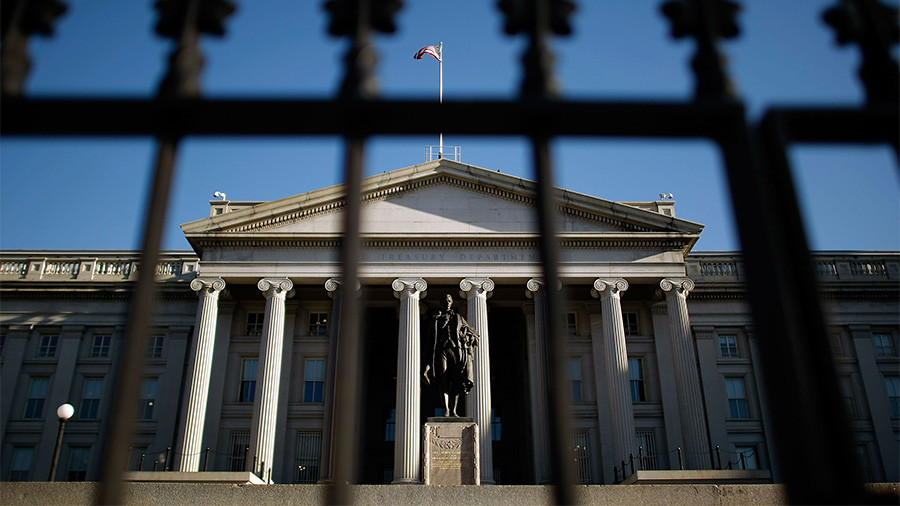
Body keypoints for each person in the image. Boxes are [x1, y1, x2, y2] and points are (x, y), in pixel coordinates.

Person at [423, 294, 479, 417]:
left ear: (452, 302)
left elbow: (473, 335)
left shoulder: (459, 318)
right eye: (444, 301)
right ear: (441, 303)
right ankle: (446, 409)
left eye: (449, 301)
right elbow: (429, 342)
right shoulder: (436, 319)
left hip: (456, 349)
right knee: (442, 377)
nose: (447, 303)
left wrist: (468, 335)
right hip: (441, 350)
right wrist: (427, 363)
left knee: (456, 380)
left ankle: (454, 410)